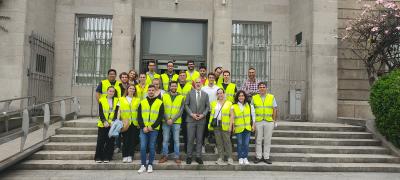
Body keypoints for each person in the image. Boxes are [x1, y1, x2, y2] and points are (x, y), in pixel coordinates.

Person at [137, 85, 164, 173]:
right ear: (147, 91)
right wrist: (143, 127)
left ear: (155, 92)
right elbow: (139, 116)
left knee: (152, 147)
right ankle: (143, 165)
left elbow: (160, 117)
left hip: (154, 129)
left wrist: (152, 127)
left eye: (153, 90)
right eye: (149, 90)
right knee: (143, 147)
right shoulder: (142, 102)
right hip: (143, 129)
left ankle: (150, 164)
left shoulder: (160, 102)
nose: (151, 91)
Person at [159, 81, 185, 164]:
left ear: (177, 87)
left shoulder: (181, 97)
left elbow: (181, 111)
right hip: (165, 121)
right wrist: (167, 119)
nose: (174, 87)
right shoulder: (164, 96)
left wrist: (172, 120)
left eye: (175, 86)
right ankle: (165, 156)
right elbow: (162, 109)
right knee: (165, 140)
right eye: (172, 86)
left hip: (176, 122)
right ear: (169, 87)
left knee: (176, 140)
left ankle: (177, 157)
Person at [184, 78, 210, 164]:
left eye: (199, 82)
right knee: (190, 139)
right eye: (196, 82)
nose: (198, 84)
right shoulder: (189, 93)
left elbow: (207, 107)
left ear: (202, 84)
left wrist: (203, 114)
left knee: (199, 139)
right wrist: (191, 114)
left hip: (201, 120)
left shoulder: (205, 94)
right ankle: (189, 156)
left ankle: (198, 156)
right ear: (194, 84)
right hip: (191, 120)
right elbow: (186, 105)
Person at [252, 82, 278, 164]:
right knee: (258, 140)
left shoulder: (271, 97)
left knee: (267, 140)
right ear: (258, 88)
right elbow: (252, 111)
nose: (262, 88)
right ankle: (258, 157)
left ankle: (266, 157)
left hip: (269, 121)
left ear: (266, 88)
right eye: (260, 87)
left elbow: (275, 109)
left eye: (263, 87)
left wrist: (274, 120)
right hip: (258, 121)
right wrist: (253, 122)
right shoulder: (254, 97)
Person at [208, 88, 233, 165]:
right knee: (219, 142)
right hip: (216, 125)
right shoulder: (213, 103)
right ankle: (221, 158)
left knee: (227, 142)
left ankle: (229, 158)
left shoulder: (229, 103)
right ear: (216, 95)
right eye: (218, 93)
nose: (220, 95)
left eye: (221, 93)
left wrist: (230, 126)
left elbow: (232, 116)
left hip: (225, 124)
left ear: (224, 94)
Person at [94, 86, 119, 163]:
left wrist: (113, 121)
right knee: (101, 141)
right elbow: (101, 112)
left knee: (110, 141)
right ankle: (98, 157)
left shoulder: (116, 100)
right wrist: (104, 121)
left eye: (113, 91)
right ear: (107, 91)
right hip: (103, 124)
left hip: (112, 124)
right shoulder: (102, 99)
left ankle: (107, 157)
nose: (111, 93)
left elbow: (116, 112)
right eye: (110, 91)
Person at [230, 90, 255, 165]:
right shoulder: (233, 106)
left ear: (245, 97)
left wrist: (253, 125)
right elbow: (232, 118)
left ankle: (245, 157)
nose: (241, 97)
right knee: (240, 143)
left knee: (246, 144)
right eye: (239, 96)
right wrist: (233, 127)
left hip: (247, 128)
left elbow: (253, 116)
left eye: (242, 96)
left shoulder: (250, 105)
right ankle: (240, 157)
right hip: (238, 128)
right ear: (237, 97)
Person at [119, 84, 140, 163]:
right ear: (127, 90)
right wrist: (118, 121)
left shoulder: (137, 100)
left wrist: (139, 122)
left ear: (135, 91)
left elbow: (139, 112)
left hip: (134, 123)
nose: (132, 90)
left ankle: (130, 155)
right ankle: (125, 155)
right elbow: (118, 111)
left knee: (132, 140)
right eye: (130, 88)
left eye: (133, 89)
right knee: (125, 140)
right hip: (125, 123)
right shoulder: (121, 99)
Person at [201, 72, 219, 151]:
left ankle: (216, 146)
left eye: (212, 77)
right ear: (208, 78)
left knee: (215, 129)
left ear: (214, 79)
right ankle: (204, 144)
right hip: (206, 112)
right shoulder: (203, 88)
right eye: (210, 77)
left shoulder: (217, 88)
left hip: (215, 112)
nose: (211, 79)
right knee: (205, 128)